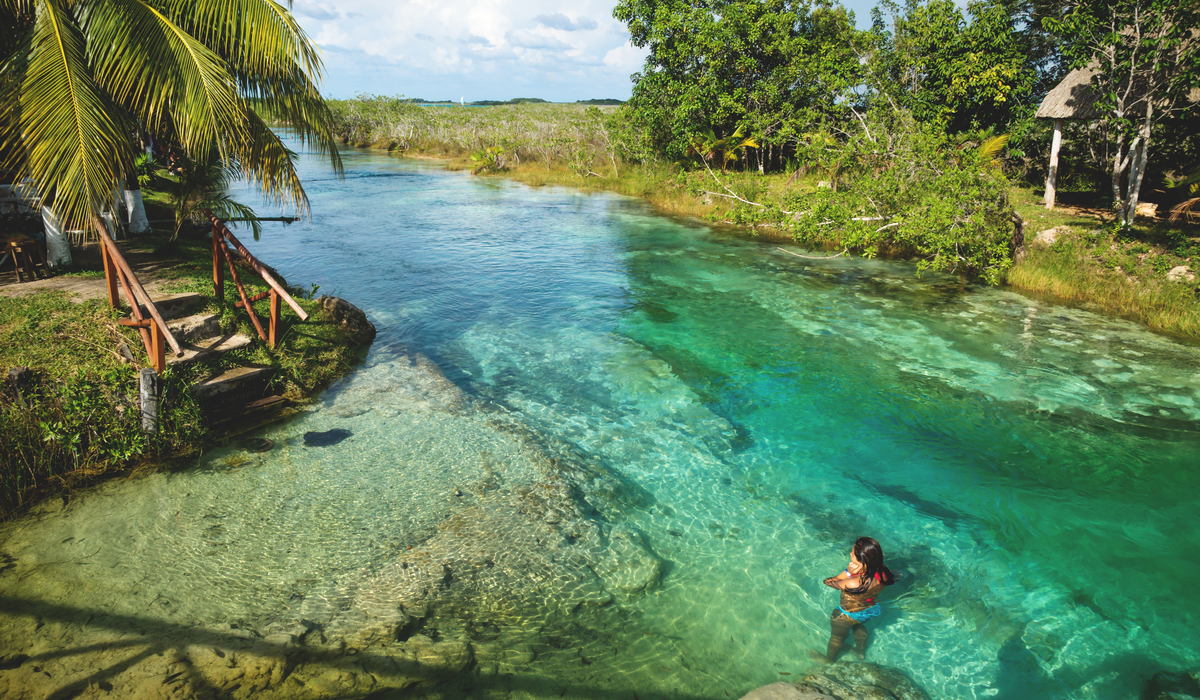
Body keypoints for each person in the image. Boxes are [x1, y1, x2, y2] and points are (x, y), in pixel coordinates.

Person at [810, 536, 896, 663]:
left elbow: (829, 582)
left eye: (853, 553)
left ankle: (828, 660)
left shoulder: (854, 582)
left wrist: (848, 572)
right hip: (870, 609)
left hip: (847, 614)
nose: (850, 554)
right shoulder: (882, 571)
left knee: (836, 637)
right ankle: (859, 651)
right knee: (858, 625)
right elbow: (892, 578)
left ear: (861, 560)